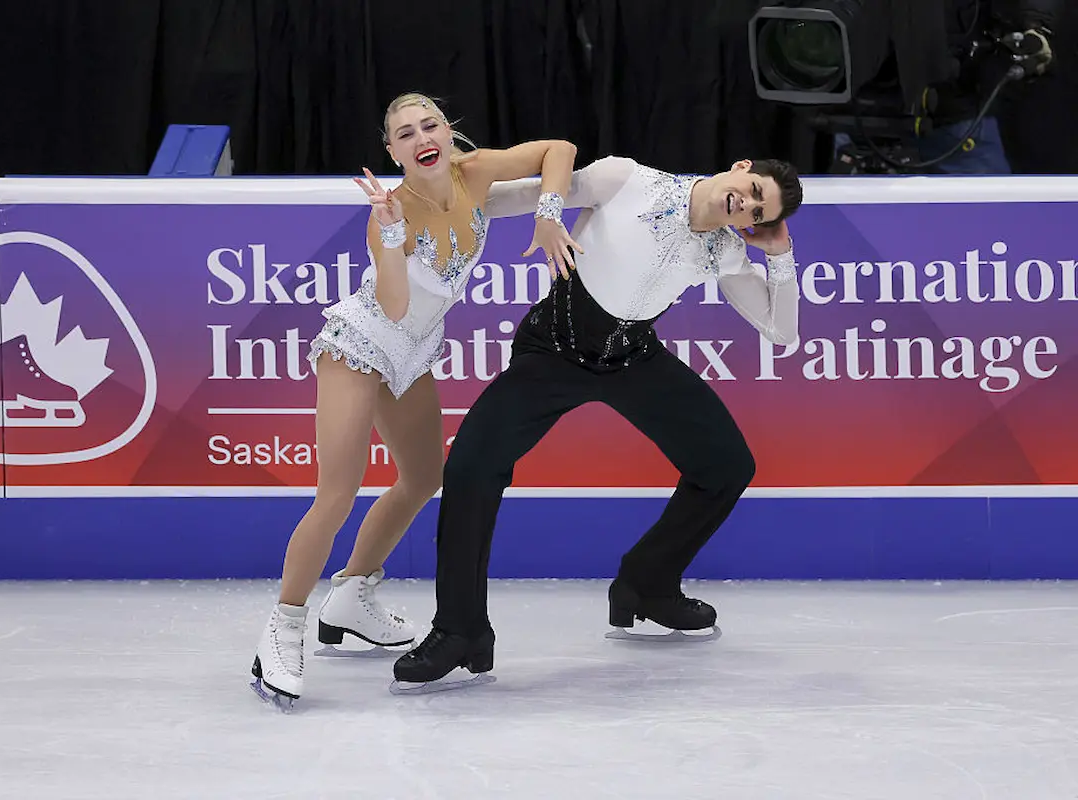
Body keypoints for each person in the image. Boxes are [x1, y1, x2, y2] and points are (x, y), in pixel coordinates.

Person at [391, 153, 804, 690]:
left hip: (631, 357)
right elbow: (518, 197)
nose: (745, 203)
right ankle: (461, 629)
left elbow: (782, 332)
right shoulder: (628, 179)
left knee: (726, 465)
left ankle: (648, 583)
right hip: (554, 351)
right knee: (471, 466)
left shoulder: (723, 248)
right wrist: (449, 204)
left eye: (757, 210)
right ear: (739, 167)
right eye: (751, 188)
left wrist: (781, 254)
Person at [250, 92, 581, 709]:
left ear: (448, 131)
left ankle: (351, 595)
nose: (420, 136)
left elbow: (559, 151)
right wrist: (395, 236)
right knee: (337, 493)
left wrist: (549, 212)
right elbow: (395, 306)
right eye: (405, 133)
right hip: (361, 343)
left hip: (415, 349)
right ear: (393, 152)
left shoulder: (474, 170)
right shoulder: (391, 211)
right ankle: (284, 626)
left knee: (424, 477)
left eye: (429, 124)